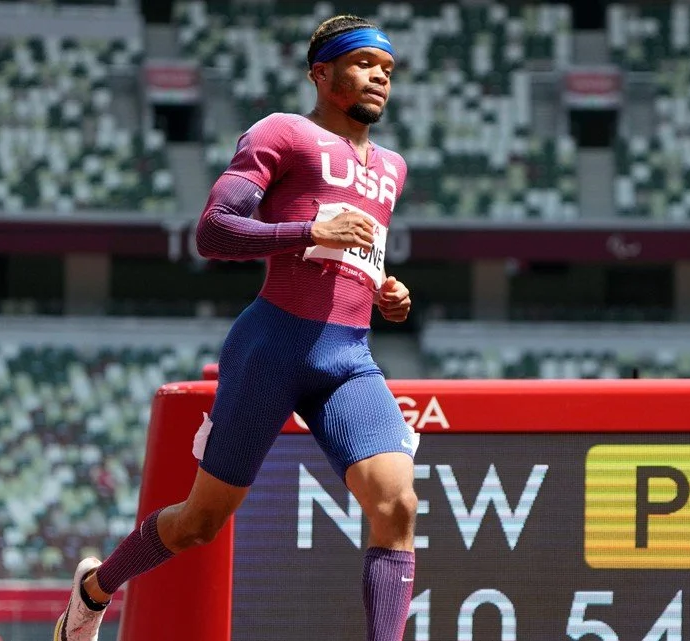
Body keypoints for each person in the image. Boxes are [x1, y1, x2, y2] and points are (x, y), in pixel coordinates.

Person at [53, 13, 417, 641]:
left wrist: (386, 288)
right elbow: (214, 231)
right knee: (199, 523)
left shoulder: (393, 167)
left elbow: (353, 254)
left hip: (349, 356)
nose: (380, 78)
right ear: (321, 72)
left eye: (387, 69)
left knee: (398, 505)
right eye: (364, 64)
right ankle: (94, 591)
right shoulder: (283, 133)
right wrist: (307, 230)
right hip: (272, 346)